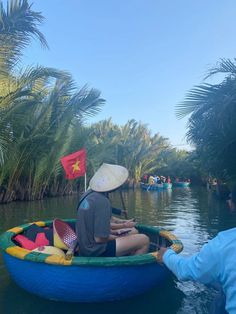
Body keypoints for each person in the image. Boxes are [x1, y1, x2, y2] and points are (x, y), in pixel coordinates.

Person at [157, 189, 236, 314]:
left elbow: (186, 270)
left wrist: (166, 255)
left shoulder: (223, 245)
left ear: (231, 205)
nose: (228, 200)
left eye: (230, 198)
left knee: (221, 296)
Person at [76, 163, 150, 257]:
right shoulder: (102, 201)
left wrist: (121, 229)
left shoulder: (86, 195)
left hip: (84, 246)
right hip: (95, 250)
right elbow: (100, 238)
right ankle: (130, 269)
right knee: (144, 240)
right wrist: (119, 236)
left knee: (133, 232)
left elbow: (95, 227)